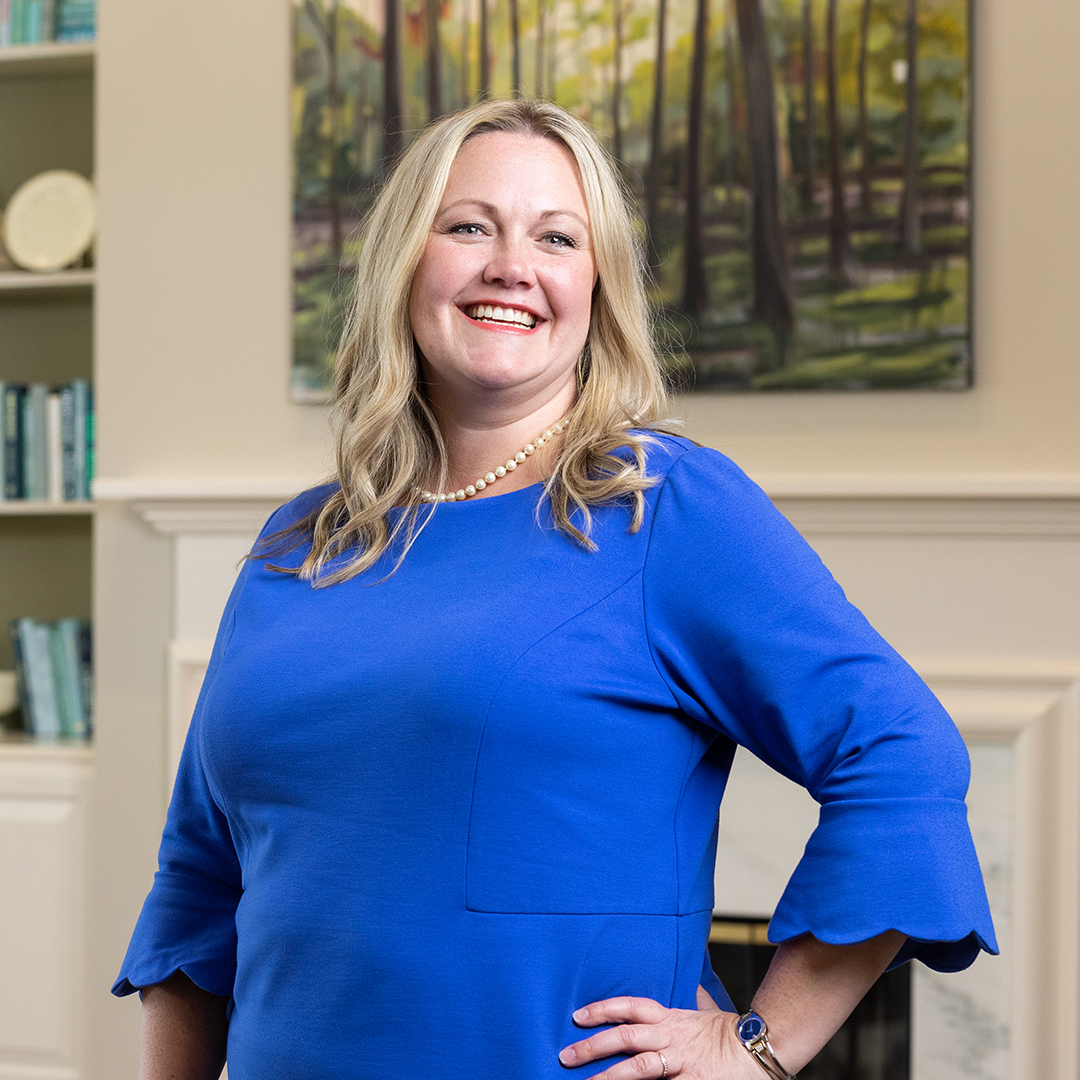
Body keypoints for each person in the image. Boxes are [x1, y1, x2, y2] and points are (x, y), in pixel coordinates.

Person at [114, 98, 996, 1080]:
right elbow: (199, 889)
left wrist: (758, 1048)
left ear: (598, 288)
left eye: (557, 237)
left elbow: (901, 754)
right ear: (405, 260)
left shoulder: (666, 508)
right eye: (468, 226)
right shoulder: (301, 543)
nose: (511, 265)